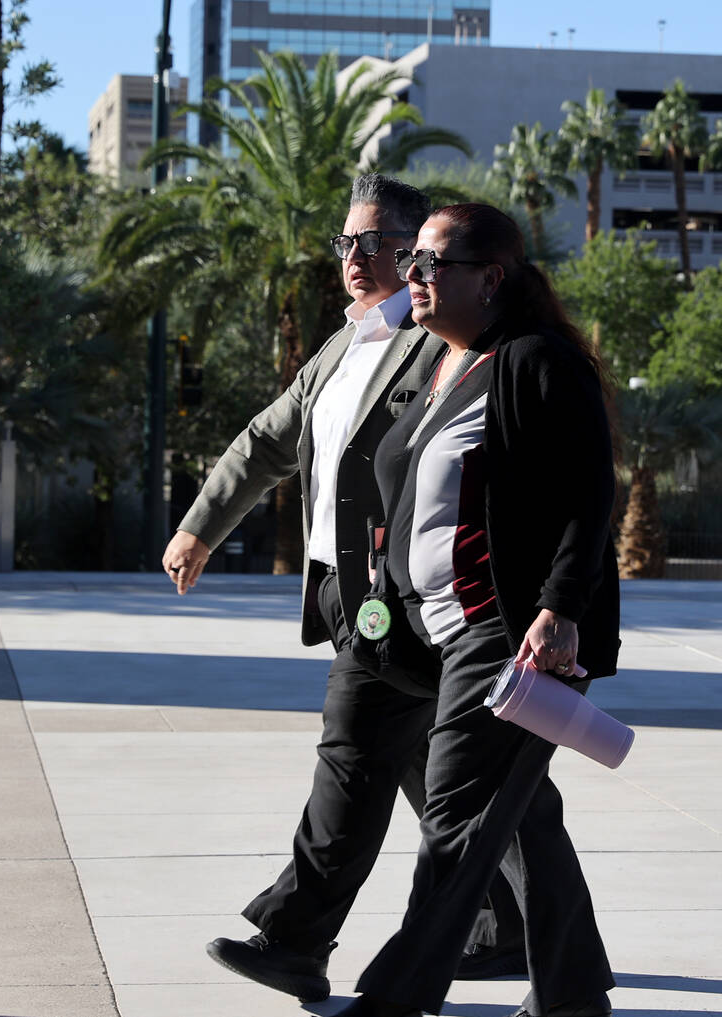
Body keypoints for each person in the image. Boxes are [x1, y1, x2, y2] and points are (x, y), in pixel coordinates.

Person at [163, 174, 525, 1004]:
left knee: (364, 756)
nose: (354, 259)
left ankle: (296, 937)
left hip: (410, 599)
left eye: (374, 244)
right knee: (454, 776)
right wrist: (200, 525)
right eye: (344, 244)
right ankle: (509, 927)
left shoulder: (447, 338)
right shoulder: (346, 341)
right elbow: (267, 440)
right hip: (347, 588)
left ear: (416, 252)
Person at [333, 202, 619, 1017]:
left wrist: (560, 607)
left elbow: (589, 497)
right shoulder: (447, 361)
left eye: (430, 263)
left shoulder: (537, 362)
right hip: (439, 632)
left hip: (511, 632)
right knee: (518, 809)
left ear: (491, 278)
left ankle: (393, 996)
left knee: (455, 815)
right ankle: (571, 995)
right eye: (411, 261)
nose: (410, 275)